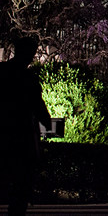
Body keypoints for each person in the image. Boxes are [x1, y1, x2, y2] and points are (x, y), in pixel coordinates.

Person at [0, 36, 51, 216]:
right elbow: (38, 106)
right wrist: (47, 122)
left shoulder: (3, 71)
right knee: (21, 183)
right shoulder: (27, 78)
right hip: (21, 136)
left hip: (5, 133)